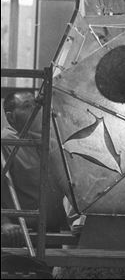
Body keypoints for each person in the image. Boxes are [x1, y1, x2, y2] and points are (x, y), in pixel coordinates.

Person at [1, 91, 68, 247]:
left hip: (53, 231)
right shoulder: (5, 142)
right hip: (20, 234)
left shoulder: (47, 138)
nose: (36, 110)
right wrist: (4, 222)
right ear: (11, 117)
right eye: (27, 106)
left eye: (37, 105)